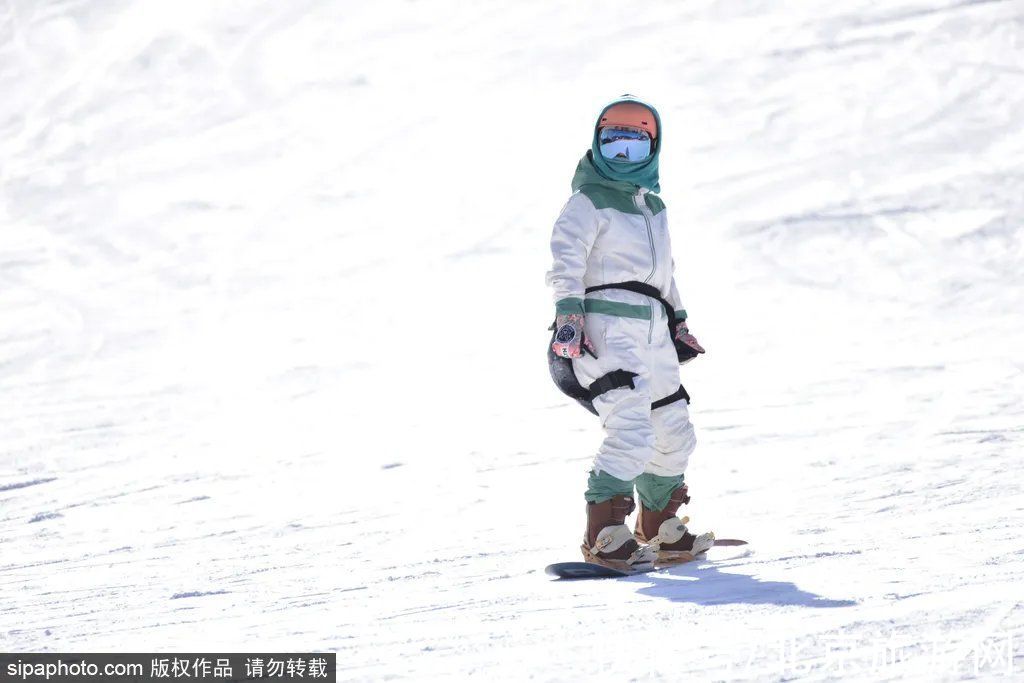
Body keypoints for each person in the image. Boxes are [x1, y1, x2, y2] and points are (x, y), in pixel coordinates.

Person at [545, 95, 714, 572]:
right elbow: (566, 256)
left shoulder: (653, 206)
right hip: (606, 320)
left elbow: (665, 272)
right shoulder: (587, 200)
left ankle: (660, 527)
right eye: (612, 143)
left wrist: (678, 319)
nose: (621, 155)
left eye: (633, 146)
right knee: (631, 426)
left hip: (654, 325)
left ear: (652, 150)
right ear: (597, 146)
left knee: (674, 425)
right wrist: (569, 313)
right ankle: (604, 535)